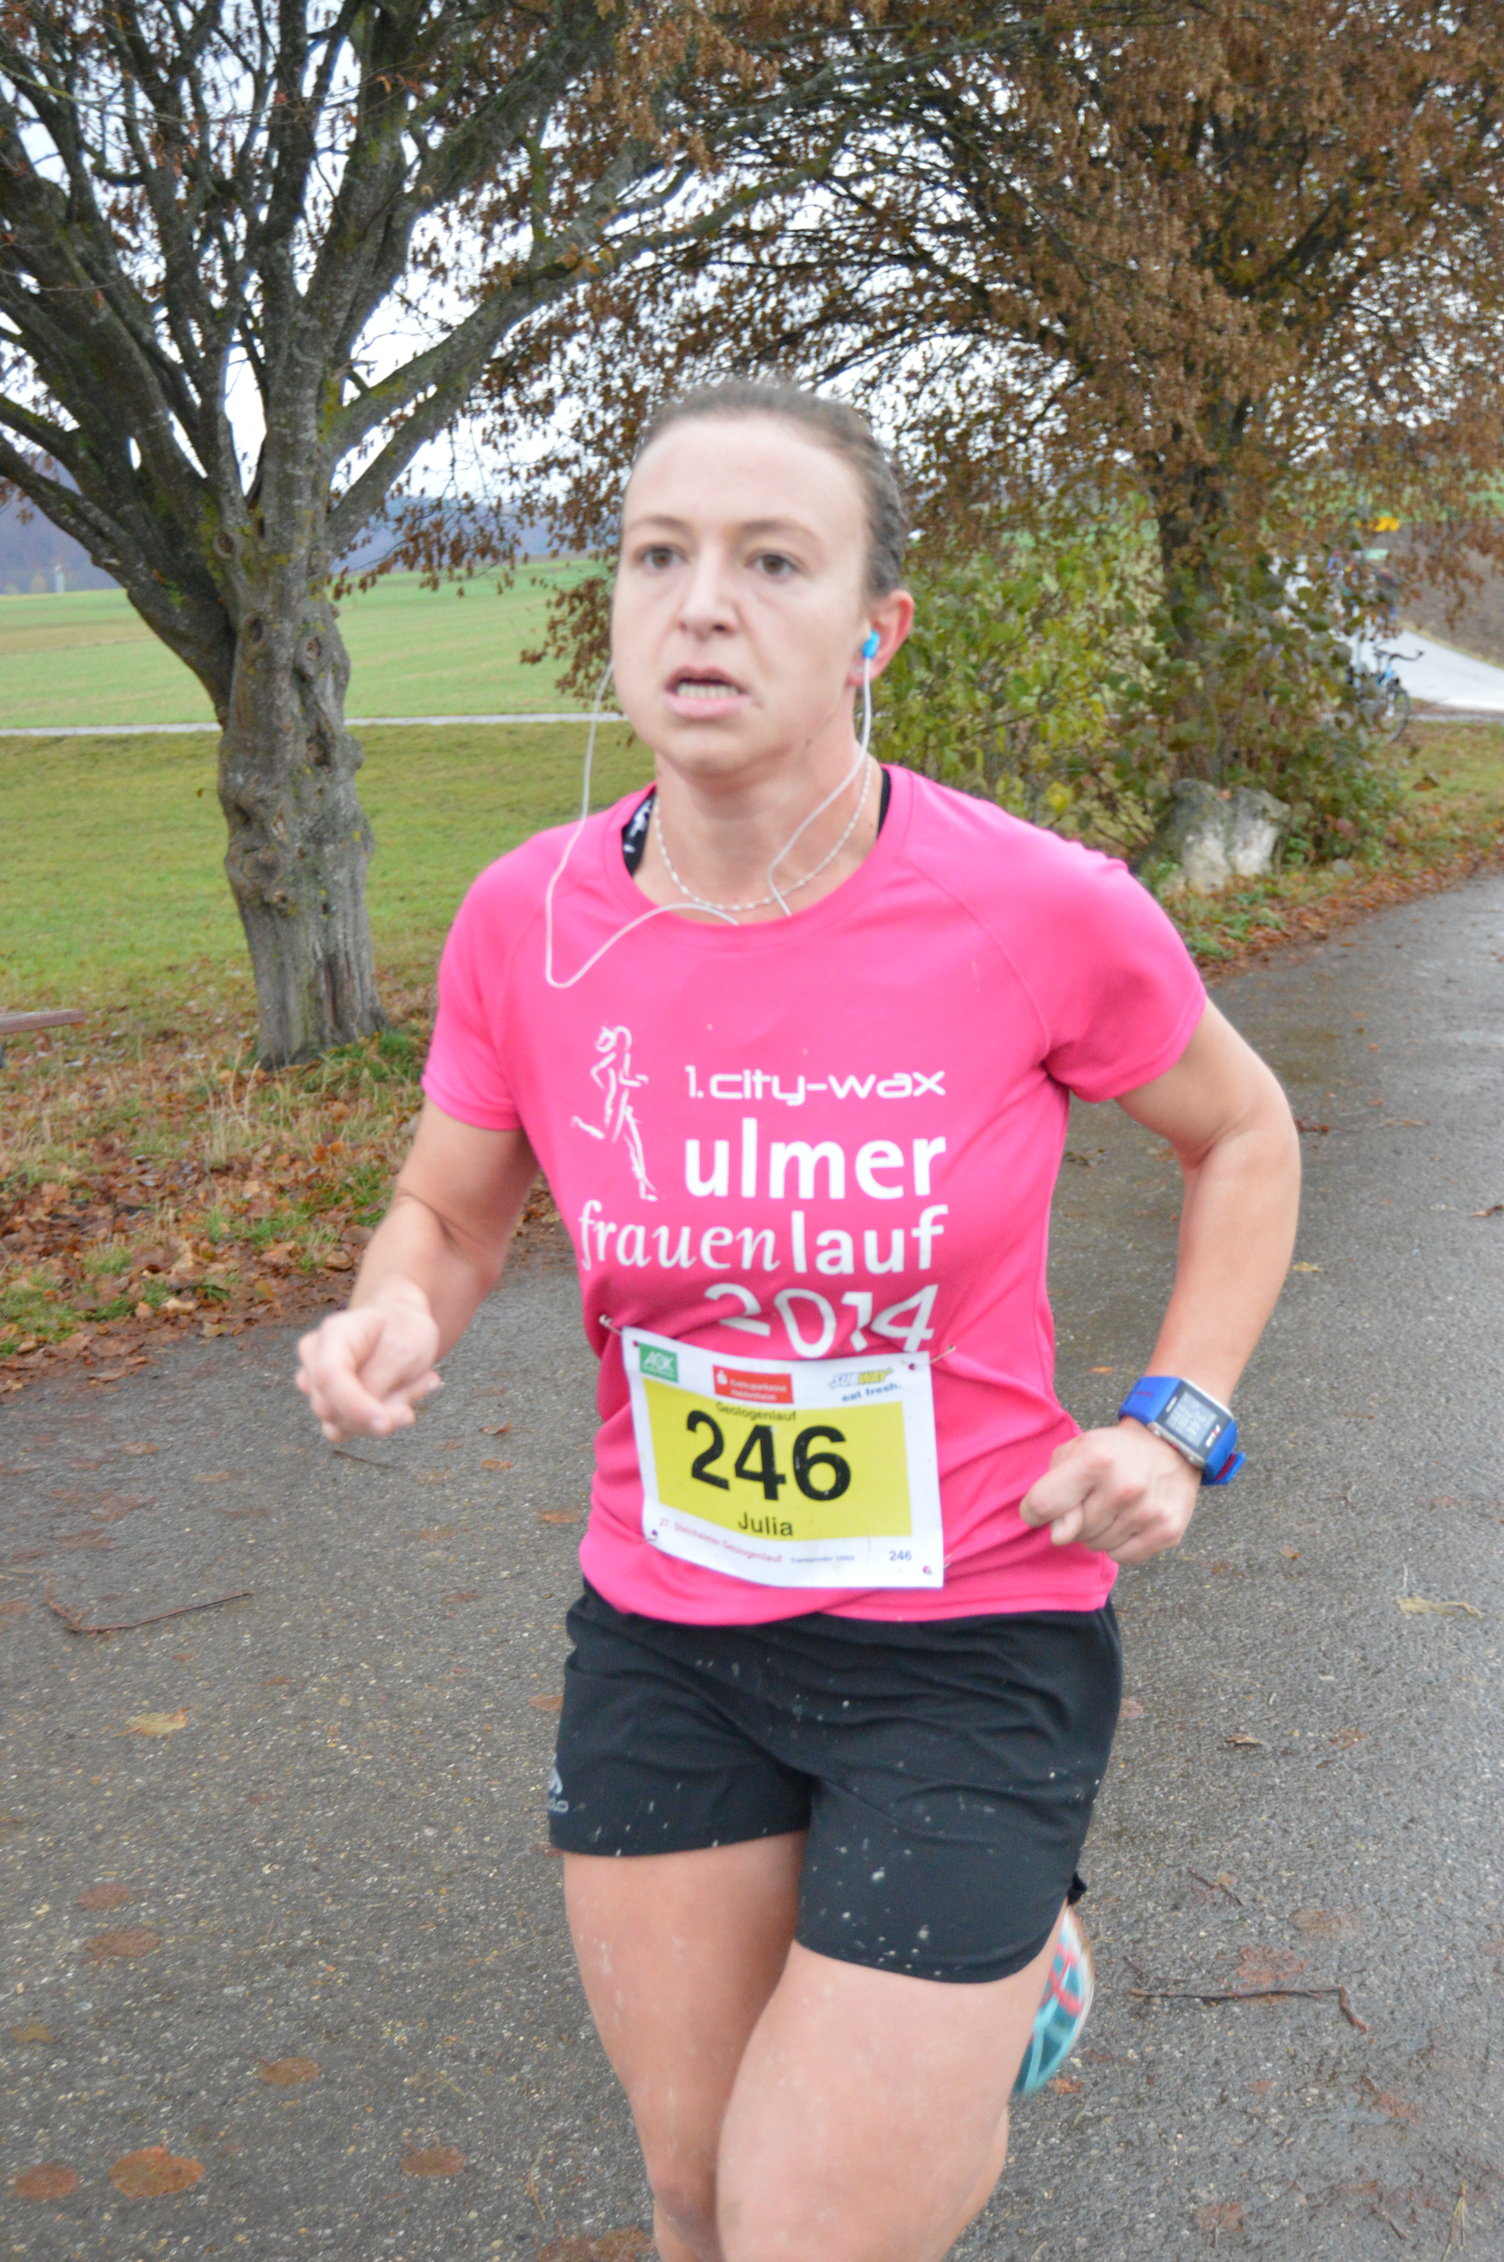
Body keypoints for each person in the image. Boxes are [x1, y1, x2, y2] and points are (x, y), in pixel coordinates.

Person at [296, 381, 1301, 2262]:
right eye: (657, 556)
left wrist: (1179, 1417)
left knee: (807, 2227)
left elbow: (1243, 1133)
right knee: (693, 2193)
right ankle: (976, 1969)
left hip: (972, 1631)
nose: (701, 603)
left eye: (772, 562)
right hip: (668, 1635)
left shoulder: (1032, 904)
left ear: (872, 630)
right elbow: (448, 1210)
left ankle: (1000, 1948)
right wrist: (389, 1316)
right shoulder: (527, 921)